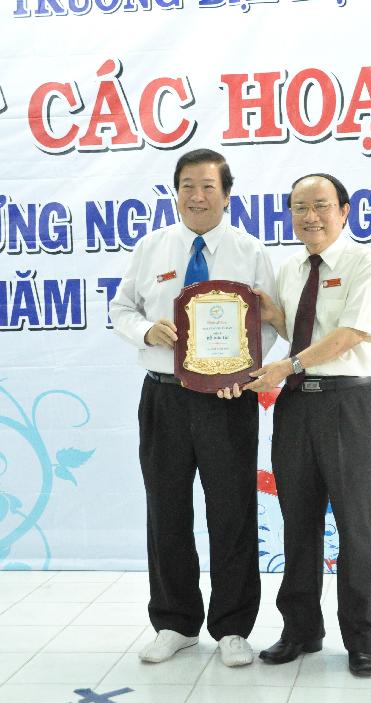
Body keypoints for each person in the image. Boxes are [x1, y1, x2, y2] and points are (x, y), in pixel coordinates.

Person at [109, 148, 276, 667]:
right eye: (187, 186)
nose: (197, 196)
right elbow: (121, 307)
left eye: (207, 186)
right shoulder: (151, 247)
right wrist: (146, 330)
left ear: (227, 194)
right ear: (175, 192)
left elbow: (267, 322)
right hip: (164, 395)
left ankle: (233, 627)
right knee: (166, 509)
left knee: (232, 511)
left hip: (227, 400)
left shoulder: (250, 252)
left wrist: (242, 372)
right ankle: (175, 622)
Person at [243, 173, 371, 677]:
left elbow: (350, 334)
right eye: (300, 207)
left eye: (321, 206)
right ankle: (301, 630)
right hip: (296, 407)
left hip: (348, 405)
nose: (311, 217)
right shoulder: (290, 267)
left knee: (356, 526)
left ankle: (361, 641)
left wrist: (287, 365)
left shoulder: (365, 263)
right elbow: (302, 331)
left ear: (343, 211)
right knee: (298, 524)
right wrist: (272, 316)